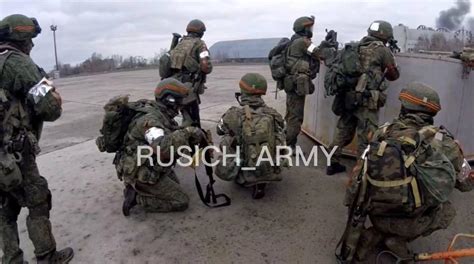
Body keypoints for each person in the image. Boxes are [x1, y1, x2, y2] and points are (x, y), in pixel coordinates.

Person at [345, 82, 473, 263]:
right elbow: (467, 183)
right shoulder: (444, 142)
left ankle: (375, 233)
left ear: (404, 106)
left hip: (375, 212)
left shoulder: (382, 131)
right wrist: (458, 154)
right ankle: (397, 239)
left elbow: (359, 172)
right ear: (432, 112)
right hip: (408, 220)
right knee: (448, 211)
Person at [0, 14, 74, 263]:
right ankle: (46, 255)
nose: (32, 45)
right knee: (37, 197)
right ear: (22, 38)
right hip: (16, 151)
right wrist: (55, 100)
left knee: (5, 208)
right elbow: (49, 108)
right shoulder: (18, 63)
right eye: (30, 39)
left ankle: (11, 258)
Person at [112, 78, 207, 215]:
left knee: (175, 185)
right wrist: (188, 132)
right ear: (170, 100)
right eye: (179, 102)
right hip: (138, 168)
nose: (181, 107)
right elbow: (163, 148)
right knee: (180, 201)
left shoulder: (161, 114)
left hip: (148, 161)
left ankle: (140, 187)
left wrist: (191, 135)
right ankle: (136, 198)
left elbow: (173, 134)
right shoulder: (150, 121)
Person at [326, 20, 400, 175]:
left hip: (348, 97)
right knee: (367, 136)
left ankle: (332, 163)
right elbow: (393, 75)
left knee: (343, 131)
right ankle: (361, 172)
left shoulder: (354, 47)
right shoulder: (382, 50)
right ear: (386, 35)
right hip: (367, 101)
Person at [215, 73, 285, 199]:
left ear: (243, 91)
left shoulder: (233, 114)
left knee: (227, 138)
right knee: (278, 135)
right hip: (269, 166)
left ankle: (240, 172)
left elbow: (218, 130)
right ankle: (267, 173)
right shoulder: (273, 114)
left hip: (245, 165)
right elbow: (283, 129)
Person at [283, 16, 337, 153]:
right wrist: (330, 44)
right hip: (297, 84)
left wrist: (325, 42)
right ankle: (289, 146)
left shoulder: (295, 40)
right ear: (303, 28)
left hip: (292, 83)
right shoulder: (303, 42)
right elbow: (320, 53)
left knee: (291, 114)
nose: (311, 30)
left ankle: (286, 140)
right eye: (309, 27)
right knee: (296, 116)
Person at [169, 19, 212, 128]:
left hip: (173, 84)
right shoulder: (200, 44)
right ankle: (193, 140)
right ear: (201, 32)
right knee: (193, 118)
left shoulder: (180, 43)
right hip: (189, 87)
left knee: (184, 112)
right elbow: (205, 66)